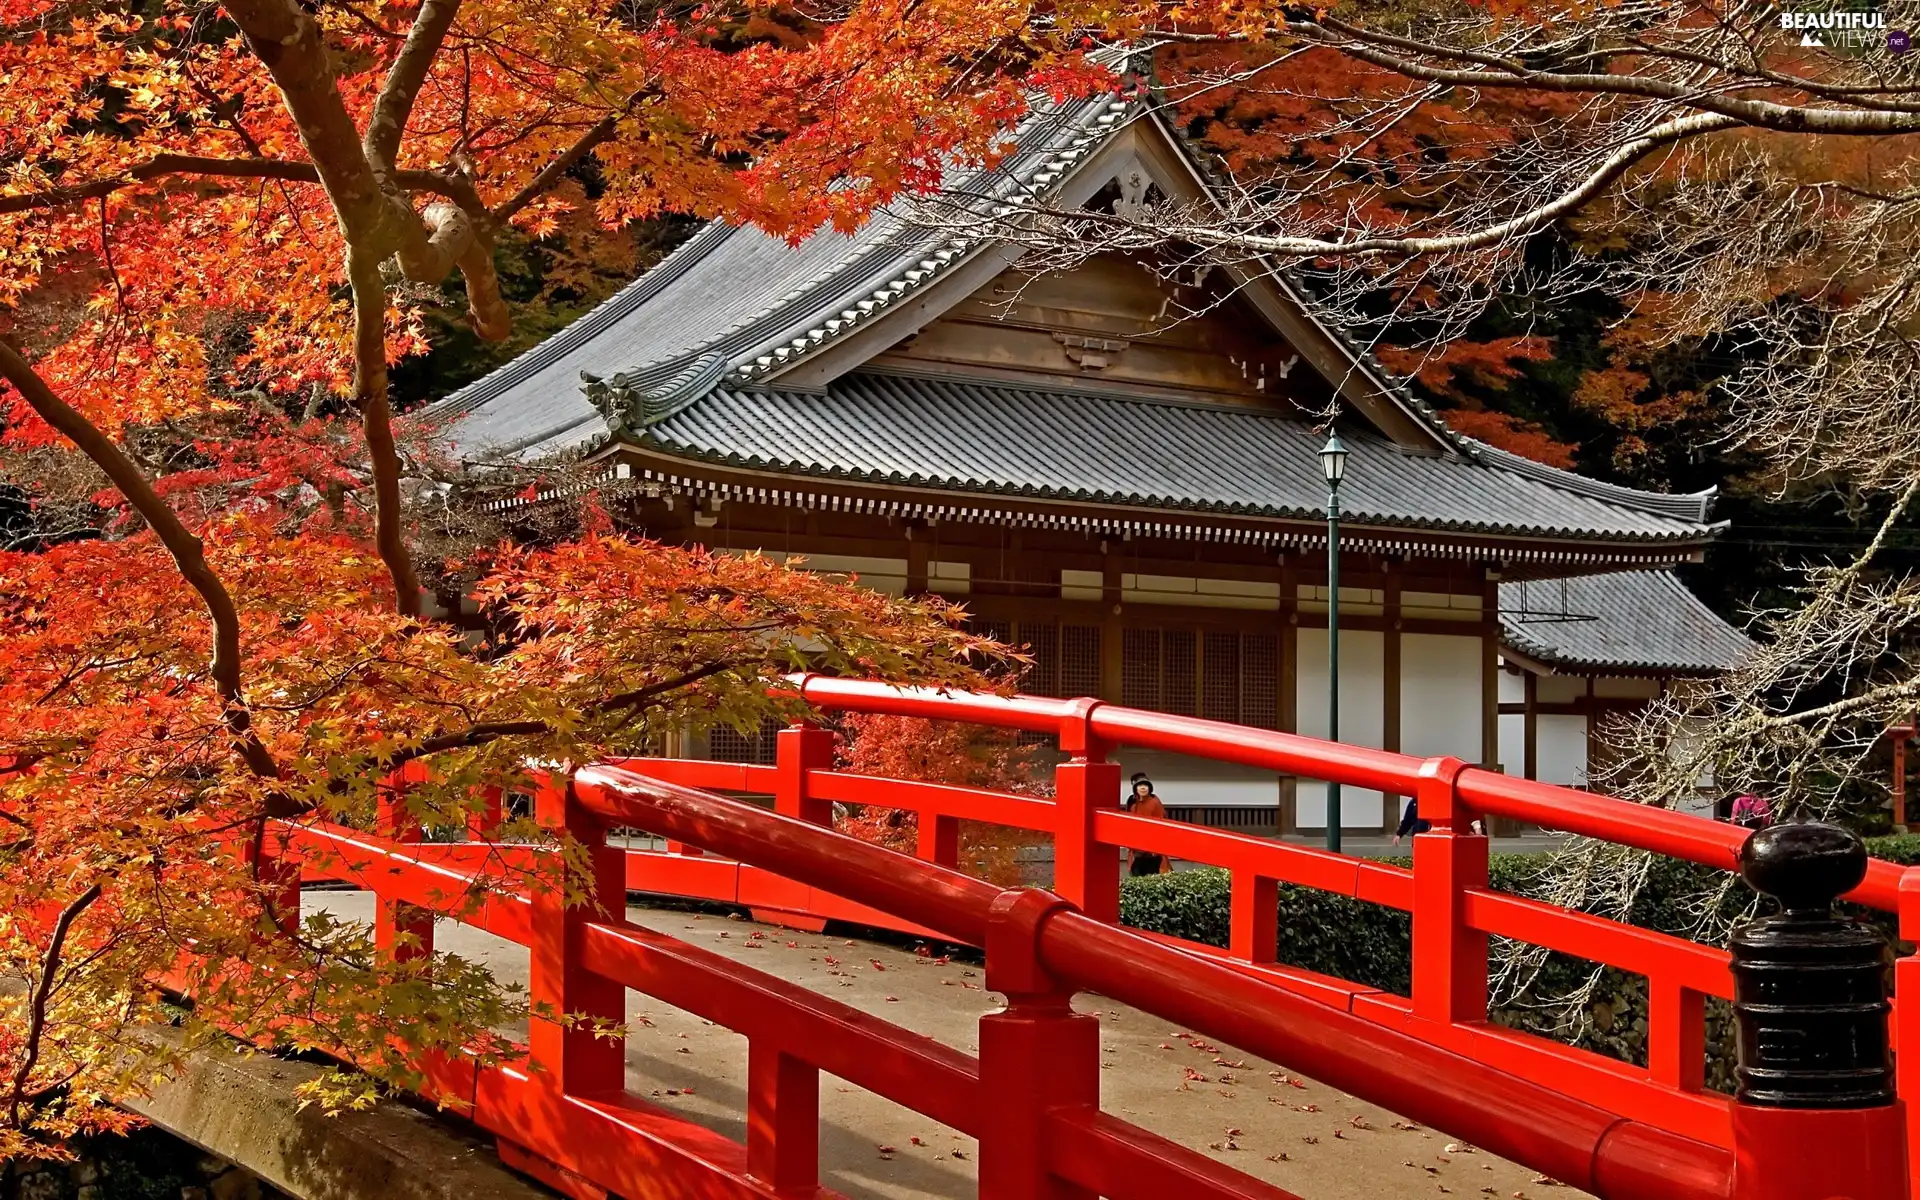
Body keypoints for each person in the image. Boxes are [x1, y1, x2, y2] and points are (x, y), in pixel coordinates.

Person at [1125, 773, 1173, 876]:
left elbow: (1160, 824)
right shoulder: (1133, 804)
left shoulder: (1154, 802)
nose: (1142, 788)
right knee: (1136, 873)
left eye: (1145, 785)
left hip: (1152, 847)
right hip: (1138, 846)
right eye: (1139, 785)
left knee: (1152, 873)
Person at [1390, 797, 1485, 845]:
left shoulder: (1444, 800)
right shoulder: (1416, 801)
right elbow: (1408, 819)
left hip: (1438, 839)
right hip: (1419, 839)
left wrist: (1475, 828)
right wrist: (1399, 834)